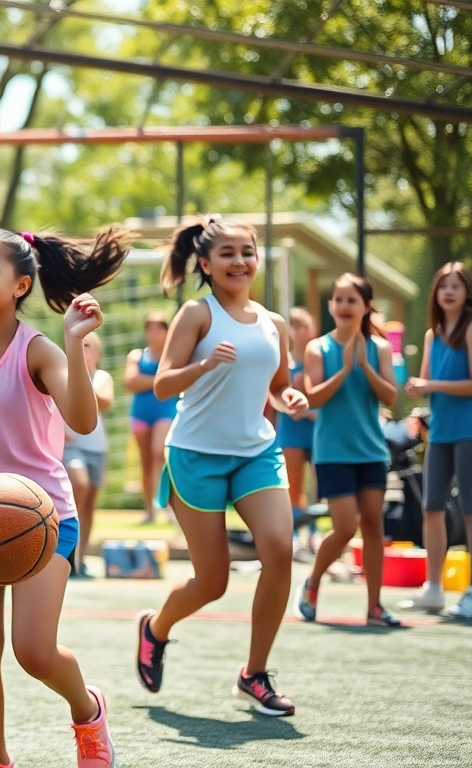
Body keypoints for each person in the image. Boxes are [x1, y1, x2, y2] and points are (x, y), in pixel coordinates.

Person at [0, 225, 130, 768]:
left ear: (21, 285)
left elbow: (84, 422)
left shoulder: (38, 351)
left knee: (33, 651)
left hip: (42, 519)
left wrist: (72, 340)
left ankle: (88, 711)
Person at [135, 215, 308, 718]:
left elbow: (277, 385)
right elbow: (163, 385)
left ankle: (253, 674)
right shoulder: (196, 314)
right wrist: (204, 365)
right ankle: (155, 629)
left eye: (246, 252)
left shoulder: (274, 324)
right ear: (206, 264)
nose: (239, 261)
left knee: (279, 548)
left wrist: (288, 395)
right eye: (227, 253)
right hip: (195, 455)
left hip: (255, 451)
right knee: (213, 582)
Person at [293, 275, 401, 627]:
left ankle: (374, 606)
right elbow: (314, 397)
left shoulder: (380, 348)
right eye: (338, 299)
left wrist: (365, 366)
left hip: (371, 451)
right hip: (332, 452)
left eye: (351, 300)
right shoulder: (317, 348)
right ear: (330, 305)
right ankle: (312, 583)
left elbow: (390, 397)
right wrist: (342, 368)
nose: (343, 306)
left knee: (372, 525)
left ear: (366, 306)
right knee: (343, 528)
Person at [402, 262, 472, 619]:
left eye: (456, 286)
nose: (448, 292)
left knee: (470, 508)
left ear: (468, 291)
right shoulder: (431, 334)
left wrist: (431, 387)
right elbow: (425, 384)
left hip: (471, 433)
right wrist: (418, 403)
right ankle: (434, 589)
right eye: (442, 286)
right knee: (431, 509)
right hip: (439, 435)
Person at [63, 332, 113, 579]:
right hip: (71, 447)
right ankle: (67, 556)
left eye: (88, 345)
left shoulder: (102, 377)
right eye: (79, 345)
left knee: (89, 505)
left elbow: (104, 401)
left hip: (96, 448)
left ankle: (80, 559)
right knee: (77, 488)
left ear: (97, 353)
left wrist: (82, 377)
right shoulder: (63, 375)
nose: (83, 350)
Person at [124, 312, 178, 524]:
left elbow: (174, 382)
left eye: (159, 328)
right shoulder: (137, 355)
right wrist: (159, 380)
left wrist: (144, 380)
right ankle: (150, 510)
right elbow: (130, 382)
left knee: (159, 454)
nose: (154, 333)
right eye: (150, 328)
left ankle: (167, 506)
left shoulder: (172, 356)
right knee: (145, 462)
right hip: (140, 414)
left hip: (165, 412)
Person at [278, 308, 318, 558]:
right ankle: (294, 536)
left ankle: (314, 535)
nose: (299, 331)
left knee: (318, 485)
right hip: (290, 430)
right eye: (294, 326)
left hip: (315, 429)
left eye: (304, 325)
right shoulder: (284, 363)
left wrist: (311, 410)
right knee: (293, 487)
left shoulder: (319, 360)